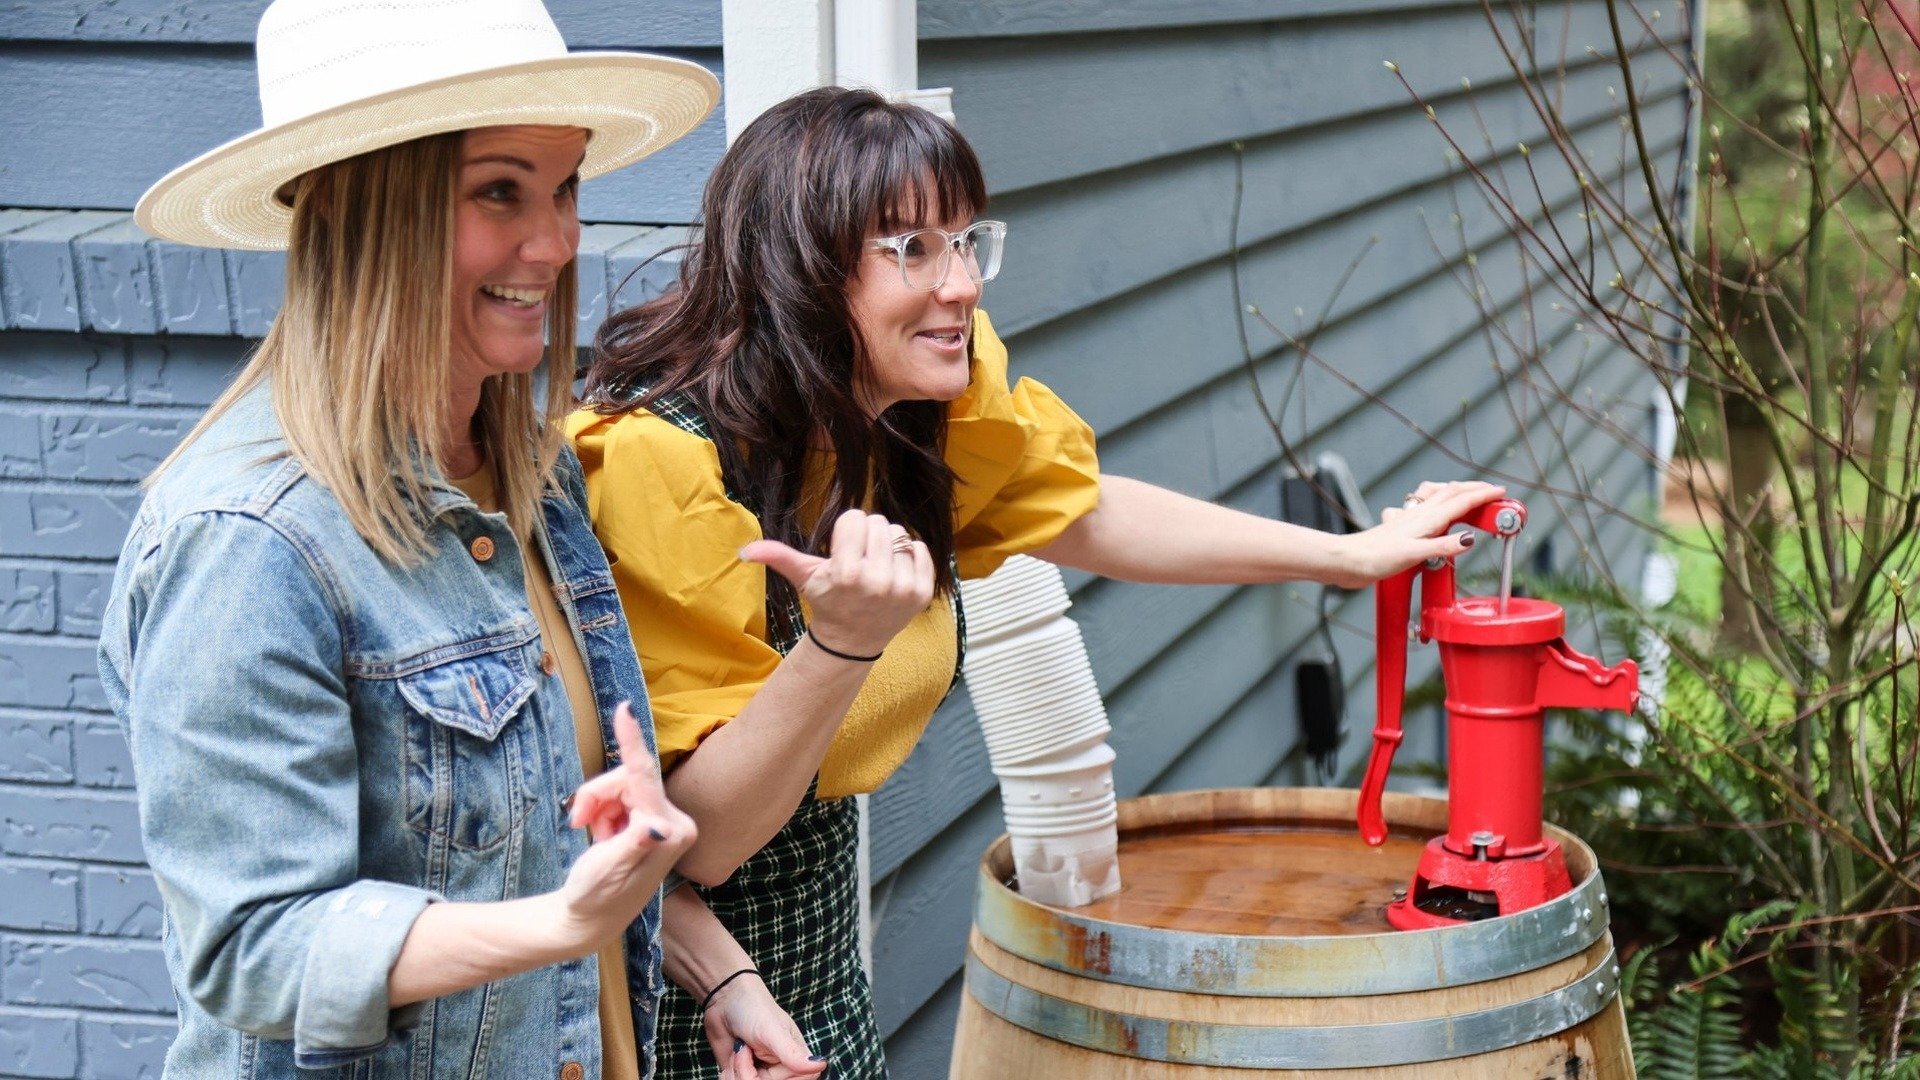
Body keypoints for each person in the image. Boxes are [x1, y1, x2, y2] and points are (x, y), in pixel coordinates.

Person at [568, 86, 1506, 1077]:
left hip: (825, 991)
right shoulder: (662, 464)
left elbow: (1082, 510)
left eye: (967, 240)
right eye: (913, 248)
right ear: (796, 266)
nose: (963, 284)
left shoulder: (902, 410)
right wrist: (840, 645)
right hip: (685, 1025)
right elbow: (701, 844)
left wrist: (1352, 554)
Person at [99, 1, 822, 1076]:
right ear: (362, 210)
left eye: (565, 187)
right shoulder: (251, 540)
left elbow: (551, 822)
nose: (557, 241)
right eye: (500, 191)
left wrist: (720, 973)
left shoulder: (533, 473)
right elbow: (251, 945)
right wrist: (557, 926)